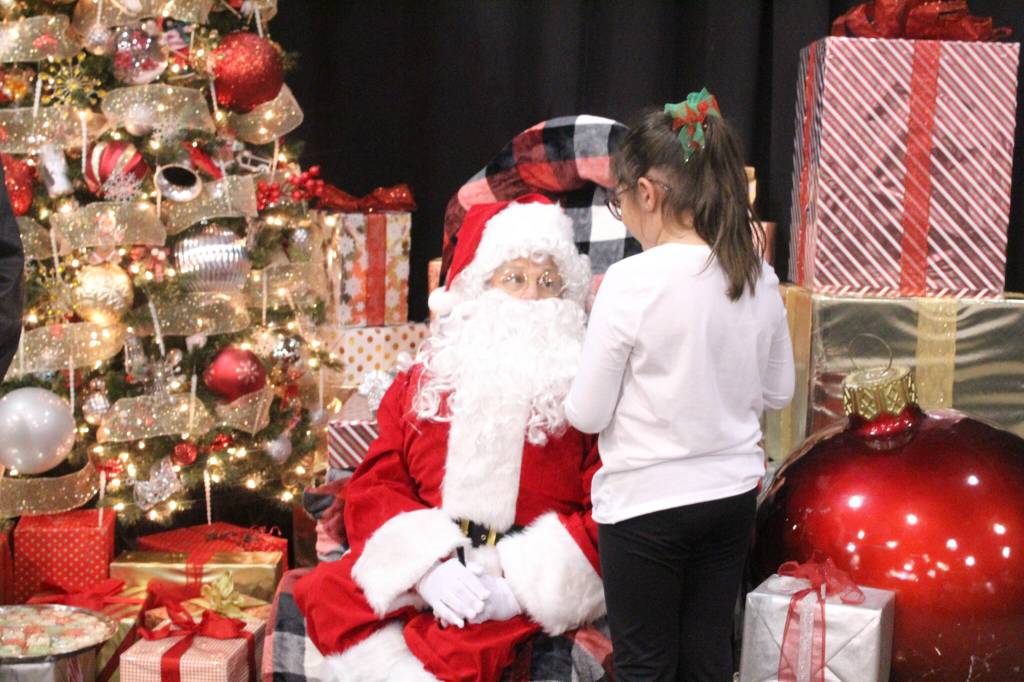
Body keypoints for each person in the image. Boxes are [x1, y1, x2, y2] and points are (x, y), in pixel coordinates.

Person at [295, 194, 606, 682]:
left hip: (514, 582)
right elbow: (377, 483)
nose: (530, 298)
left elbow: (610, 506)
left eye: (548, 283)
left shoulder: (588, 396)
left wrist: (521, 589)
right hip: (430, 570)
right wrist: (425, 567)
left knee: (460, 657)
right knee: (326, 598)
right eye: (515, 279)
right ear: (478, 289)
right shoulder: (421, 385)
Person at [564, 89, 795, 681]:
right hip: (730, 497)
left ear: (647, 193)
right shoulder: (757, 274)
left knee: (646, 665)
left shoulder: (629, 281)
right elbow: (779, 393)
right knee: (709, 659)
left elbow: (588, 414)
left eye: (621, 203)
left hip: (646, 506)